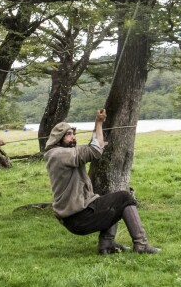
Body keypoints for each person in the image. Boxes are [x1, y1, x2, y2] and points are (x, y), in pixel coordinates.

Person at [44, 108, 161, 254]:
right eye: (68, 134)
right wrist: (99, 122)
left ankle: (106, 245)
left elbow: (92, 147)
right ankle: (141, 245)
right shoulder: (59, 154)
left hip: (74, 218)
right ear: (58, 138)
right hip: (79, 217)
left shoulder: (58, 154)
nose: (73, 137)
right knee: (124, 197)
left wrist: (97, 133)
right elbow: (95, 150)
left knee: (111, 200)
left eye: (73, 133)